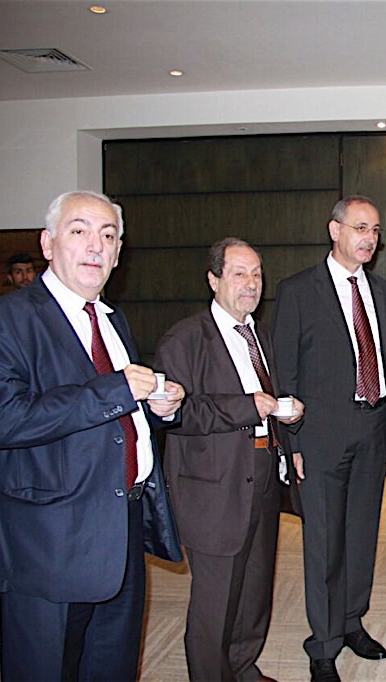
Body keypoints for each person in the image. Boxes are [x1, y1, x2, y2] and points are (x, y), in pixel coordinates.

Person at [0, 190, 185, 681]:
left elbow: (112, 420)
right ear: (48, 244)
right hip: (50, 543)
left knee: (111, 667)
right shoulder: (5, 319)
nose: (95, 245)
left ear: (118, 252)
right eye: (79, 230)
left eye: (108, 236)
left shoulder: (111, 319)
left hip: (121, 528)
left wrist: (156, 410)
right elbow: (4, 421)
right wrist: (117, 390)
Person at [153, 238, 305, 681]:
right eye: (239, 273)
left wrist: (287, 421)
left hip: (263, 474)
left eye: (256, 274)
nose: (251, 283)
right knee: (215, 603)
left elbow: (268, 402)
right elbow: (176, 414)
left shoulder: (260, 335)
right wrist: (247, 407)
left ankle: (243, 668)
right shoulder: (185, 338)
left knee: (255, 591)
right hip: (213, 487)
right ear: (213, 279)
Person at [272, 195, 386, 682]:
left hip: (372, 431)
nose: (369, 238)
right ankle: (323, 642)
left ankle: (351, 622)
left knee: (362, 535)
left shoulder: (383, 292)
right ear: (335, 230)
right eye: (360, 227)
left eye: (375, 230)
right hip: (319, 438)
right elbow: (285, 373)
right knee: (324, 542)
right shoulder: (298, 291)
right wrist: (293, 444)